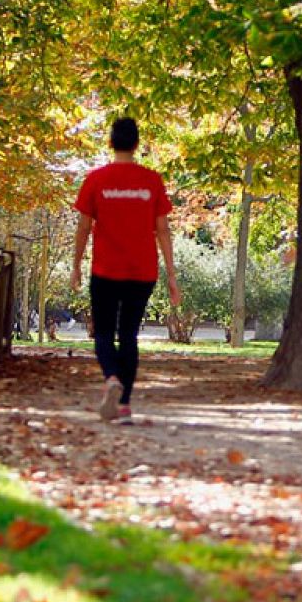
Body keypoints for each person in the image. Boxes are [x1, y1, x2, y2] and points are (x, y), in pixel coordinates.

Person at [70, 117, 180, 423]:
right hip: (142, 270)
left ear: (111, 142)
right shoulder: (152, 181)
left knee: (104, 332)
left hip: (105, 269)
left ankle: (112, 380)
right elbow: (163, 230)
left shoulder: (96, 179)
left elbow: (83, 227)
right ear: (136, 144)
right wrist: (171, 274)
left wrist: (76, 265)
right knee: (129, 335)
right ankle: (124, 407)